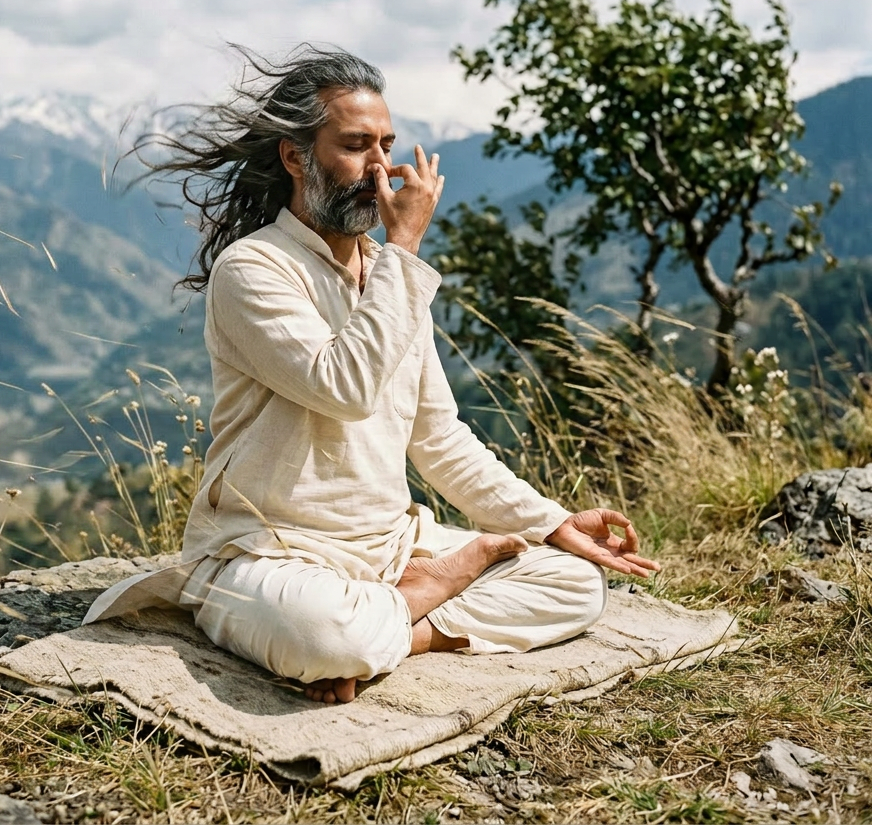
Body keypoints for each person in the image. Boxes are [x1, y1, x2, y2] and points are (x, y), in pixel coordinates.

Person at [84, 45, 660, 704]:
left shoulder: (384, 279)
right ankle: (402, 611)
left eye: (387, 144)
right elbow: (345, 389)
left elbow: (439, 437)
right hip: (272, 553)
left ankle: (404, 630)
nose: (381, 168)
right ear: (295, 156)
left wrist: (552, 522)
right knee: (321, 634)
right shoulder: (254, 271)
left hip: (392, 545)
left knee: (575, 583)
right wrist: (405, 250)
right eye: (356, 145)